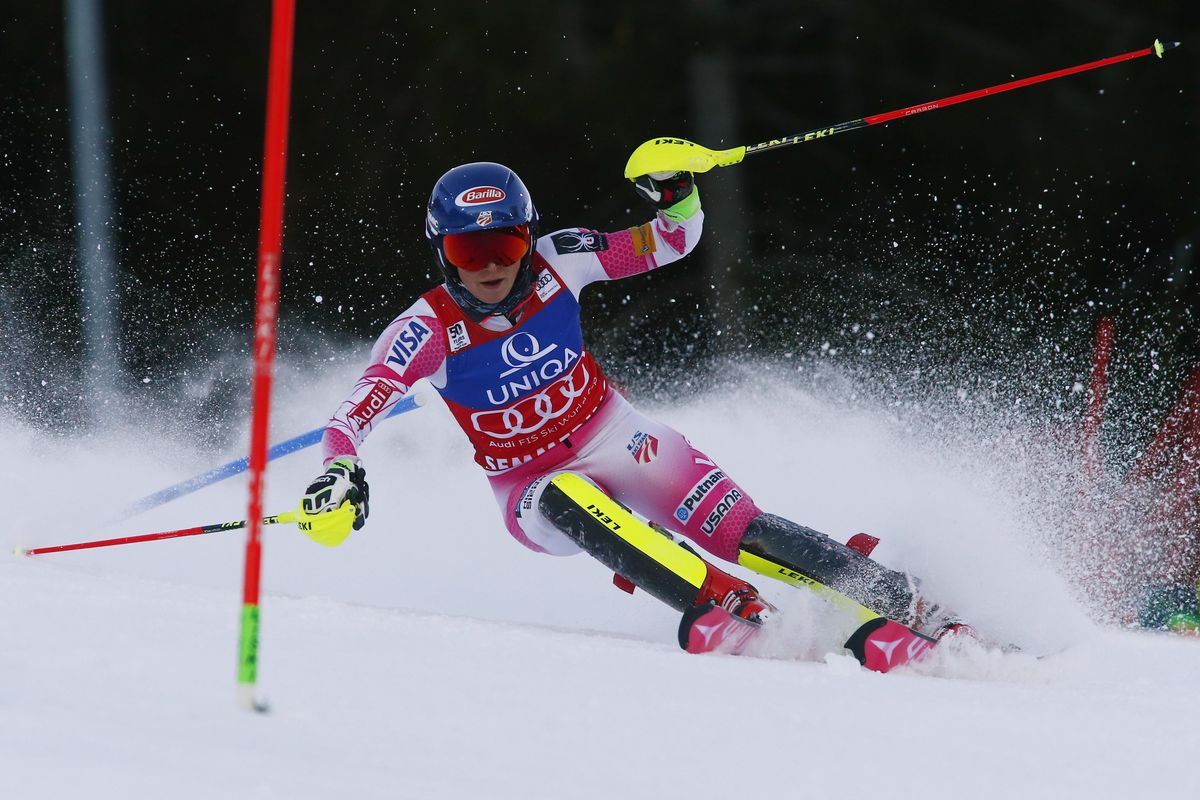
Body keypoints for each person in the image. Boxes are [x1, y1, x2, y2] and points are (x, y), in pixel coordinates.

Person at [300, 161, 967, 669]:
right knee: (567, 495)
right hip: (530, 487)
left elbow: (671, 241)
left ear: (528, 240)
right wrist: (338, 470)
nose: (489, 268)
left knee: (740, 527)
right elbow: (353, 411)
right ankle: (726, 607)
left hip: (616, 435)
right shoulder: (425, 330)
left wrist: (675, 188)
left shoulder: (563, 260)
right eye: (468, 254)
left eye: (503, 247)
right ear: (442, 253)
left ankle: (906, 600)